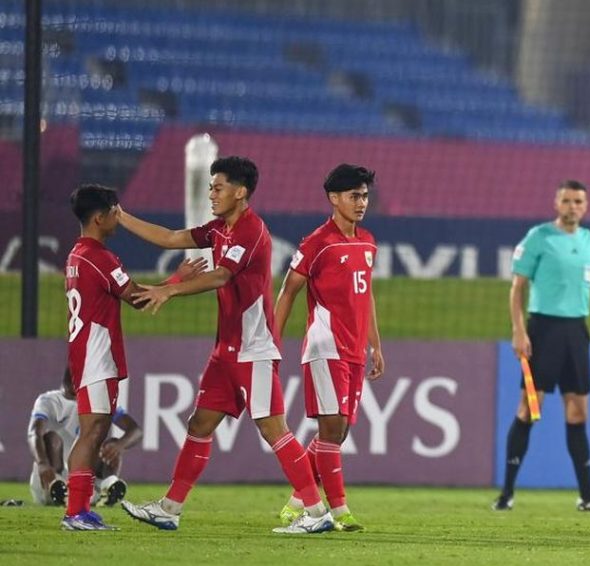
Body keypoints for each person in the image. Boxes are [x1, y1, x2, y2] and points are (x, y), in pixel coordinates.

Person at [116, 156, 334, 534]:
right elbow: (170, 238)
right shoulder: (219, 229)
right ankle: (170, 508)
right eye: (211, 187)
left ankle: (317, 512)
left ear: (241, 191)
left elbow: (219, 276)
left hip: (254, 349)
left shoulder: (251, 230)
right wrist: (121, 216)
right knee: (199, 423)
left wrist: (171, 291)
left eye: (218, 187)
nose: (211, 194)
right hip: (226, 350)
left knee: (273, 429)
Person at [61, 184, 202, 530]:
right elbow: (136, 298)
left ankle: (80, 509)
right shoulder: (99, 257)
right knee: (92, 431)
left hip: (86, 353)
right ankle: (75, 511)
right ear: (99, 217)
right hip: (96, 355)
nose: (117, 219)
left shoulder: (76, 256)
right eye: (114, 213)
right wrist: (176, 280)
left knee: (94, 429)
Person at [493, 179, 590, 513]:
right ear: (557, 204)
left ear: (586, 205)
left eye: (578, 201)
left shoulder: (589, 241)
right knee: (530, 407)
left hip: (575, 333)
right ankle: (506, 493)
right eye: (566, 201)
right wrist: (519, 330)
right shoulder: (538, 237)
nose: (572, 206)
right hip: (543, 330)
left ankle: (588, 495)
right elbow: (517, 288)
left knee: (578, 410)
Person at [273, 164, 384, 532]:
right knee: (332, 428)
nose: (361, 202)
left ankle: (297, 501)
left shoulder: (367, 241)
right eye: (354, 195)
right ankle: (338, 513)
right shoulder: (317, 242)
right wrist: (272, 339)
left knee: (338, 432)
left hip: (354, 351)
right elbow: (288, 291)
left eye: (365, 195)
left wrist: (376, 346)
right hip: (325, 346)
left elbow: (366, 297)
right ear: (334, 199)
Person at [29, 369, 141, 508]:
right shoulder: (49, 401)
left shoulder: (100, 401)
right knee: (52, 439)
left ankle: (106, 486)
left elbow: (136, 430)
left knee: (112, 444)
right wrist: (42, 464)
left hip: (87, 481)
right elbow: (35, 433)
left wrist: (120, 445)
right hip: (51, 478)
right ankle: (55, 488)